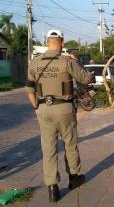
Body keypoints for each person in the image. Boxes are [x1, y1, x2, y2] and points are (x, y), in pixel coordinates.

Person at [25, 30, 94, 202]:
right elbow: (86, 79)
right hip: (64, 109)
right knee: (70, 144)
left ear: (47, 42)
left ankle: (52, 189)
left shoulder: (34, 63)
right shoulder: (67, 61)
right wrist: (76, 62)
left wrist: (36, 107)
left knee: (48, 149)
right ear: (61, 43)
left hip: (43, 109)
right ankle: (73, 179)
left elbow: (29, 89)